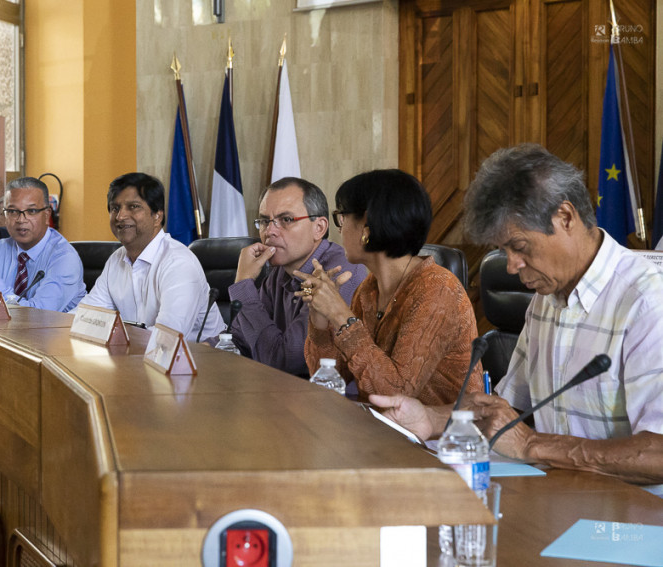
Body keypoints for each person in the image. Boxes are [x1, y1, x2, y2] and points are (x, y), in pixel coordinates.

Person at [372, 144, 663, 485]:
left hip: (634, 520)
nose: (511, 266)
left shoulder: (646, 303)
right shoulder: (546, 298)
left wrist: (533, 445)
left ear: (565, 218)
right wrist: (431, 419)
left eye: (520, 247)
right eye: (503, 251)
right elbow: (503, 410)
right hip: (559, 498)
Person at [297, 170, 482, 404]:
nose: (340, 228)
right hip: (383, 430)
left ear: (366, 227)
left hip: (446, 437)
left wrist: (340, 314)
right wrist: (320, 315)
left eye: (341, 217)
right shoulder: (368, 290)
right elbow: (329, 378)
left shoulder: (437, 289)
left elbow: (396, 396)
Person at [228, 177, 367, 376]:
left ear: (319, 228)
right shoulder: (279, 272)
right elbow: (240, 339)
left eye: (286, 220)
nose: (269, 231)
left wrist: (243, 284)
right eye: (264, 221)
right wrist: (202, 350)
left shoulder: (341, 272)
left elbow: (285, 362)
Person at [78, 172, 224, 341]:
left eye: (133, 207)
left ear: (157, 216)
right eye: (115, 208)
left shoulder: (178, 263)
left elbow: (167, 337)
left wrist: (114, 336)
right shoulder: (116, 260)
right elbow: (86, 318)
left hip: (202, 360)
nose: (120, 216)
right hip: (137, 357)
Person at [0, 177, 86, 312]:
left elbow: (40, 315)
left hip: (53, 335)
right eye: (13, 211)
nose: (21, 220)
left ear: (46, 214)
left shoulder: (65, 258)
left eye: (31, 211)